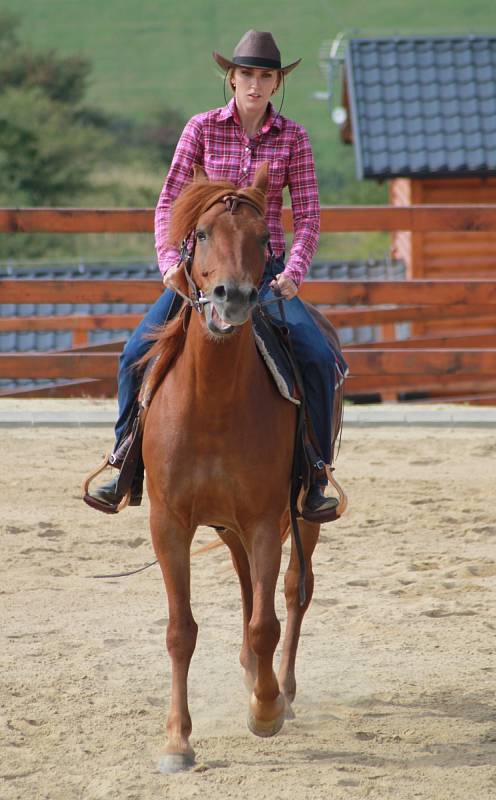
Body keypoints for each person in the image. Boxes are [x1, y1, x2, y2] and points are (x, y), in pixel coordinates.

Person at [84, 30, 345, 519]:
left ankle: (314, 474)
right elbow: (168, 201)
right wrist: (168, 263)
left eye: (265, 76)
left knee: (316, 355)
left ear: (276, 83)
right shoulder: (201, 128)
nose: (255, 83)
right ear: (231, 77)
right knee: (134, 353)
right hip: (200, 274)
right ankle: (124, 461)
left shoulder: (294, 138)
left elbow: (307, 214)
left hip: (264, 275)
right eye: (246, 73)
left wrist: (293, 272)